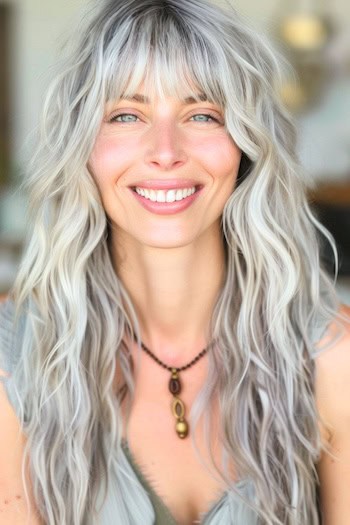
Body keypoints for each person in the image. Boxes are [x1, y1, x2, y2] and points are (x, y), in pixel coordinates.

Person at [0, 0, 349, 523]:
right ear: (83, 150)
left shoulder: (332, 358)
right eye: (126, 114)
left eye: (202, 114)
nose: (166, 151)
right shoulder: (15, 364)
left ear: (245, 148)